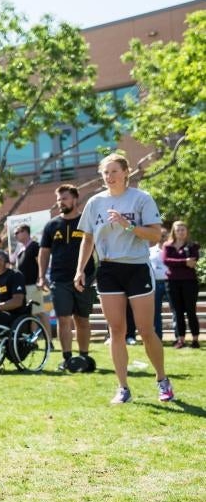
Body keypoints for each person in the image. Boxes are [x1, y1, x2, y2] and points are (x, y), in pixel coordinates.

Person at [74, 153, 173, 403]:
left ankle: (162, 380)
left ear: (126, 172)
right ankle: (123, 388)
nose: (109, 177)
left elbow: (155, 236)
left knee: (145, 330)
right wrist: (80, 270)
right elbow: (87, 239)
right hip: (108, 269)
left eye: (114, 171)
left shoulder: (141, 199)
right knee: (116, 330)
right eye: (105, 173)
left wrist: (127, 225)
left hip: (137, 267)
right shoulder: (95, 202)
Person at [38, 184, 97, 369]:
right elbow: (44, 252)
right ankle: (67, 358)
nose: (60, 202)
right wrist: (41, 276)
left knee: (82, 319)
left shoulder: (87, 222)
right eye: (58, 199)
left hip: (84, 278)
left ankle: (84, 357)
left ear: (74, 199)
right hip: (59, 279)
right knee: (64, 319)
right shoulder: (51, 225)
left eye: (64, 198)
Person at [163, 221, 200, 349]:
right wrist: (184, 261)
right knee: (177, 312)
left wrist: (178, 262)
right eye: (178, 230)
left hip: (190, 282)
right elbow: (166, 261)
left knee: (191, 311)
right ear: (174, 231)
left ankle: (195, 340)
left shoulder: (193, 246)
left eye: (183, 229)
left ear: (187, 231)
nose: (180, 232)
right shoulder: (167, 246)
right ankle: (181, 340)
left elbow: (194, 262)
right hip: (172, 282)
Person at [13, 224, 49, 334]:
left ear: (25, 232)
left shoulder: (35, 246)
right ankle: (32, 341)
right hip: (23, 287)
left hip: (33, 285)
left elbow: (40, 263)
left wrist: (40, 279)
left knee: (40, 312)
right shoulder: (20, 249)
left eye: (17, 232)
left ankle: (49, 341)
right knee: (31, 313)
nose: (16, 235)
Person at [148, 230, 169, 341]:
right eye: (160, 235)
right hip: (155, 283)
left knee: (177, 311)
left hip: (170, 282)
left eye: (164, 235)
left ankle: (179, 338)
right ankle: (158, 337)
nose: (162, 237)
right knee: (155, 312)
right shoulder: (150, 251)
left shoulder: (172, 250)